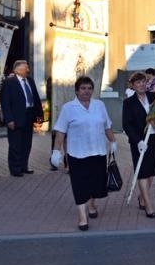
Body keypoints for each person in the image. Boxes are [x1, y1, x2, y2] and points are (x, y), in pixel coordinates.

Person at [50, 76, 117, 231]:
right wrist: (56, 151)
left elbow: (107, 126)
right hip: (77, 153)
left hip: (98, 151)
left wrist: (113, 141)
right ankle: (82, 217)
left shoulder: (99, 105)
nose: (86, 91)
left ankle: (92, 205)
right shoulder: (68, 108)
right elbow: (60, 132)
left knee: (96, 183)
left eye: (89, 88)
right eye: (83, 88)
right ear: (77, 91)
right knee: (79, 184)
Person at [123, 71, 155, 218]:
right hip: (138, 142)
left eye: (143, 82)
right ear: (133, 86)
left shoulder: (153, 97)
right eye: (138, 82)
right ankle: (148, 205)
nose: (141, 84)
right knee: (142, 172)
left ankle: (142, 196)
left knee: (151, 172)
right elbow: (127, 125)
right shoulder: (129, 103)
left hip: (153, 139)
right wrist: (137, 141)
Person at [0, 60, 44, 177]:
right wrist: (9, 119)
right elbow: (5, 102)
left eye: (28, 68)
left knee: (26, 144)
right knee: (15, 144)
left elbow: (36, 98)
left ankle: (24, 166)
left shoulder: (30, 80)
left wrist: (40, 115)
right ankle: (15, 168)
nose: (28, 70)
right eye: (26, 68)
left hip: (29, 115)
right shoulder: (9, 82)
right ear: (17, 70)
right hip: (16, 118)